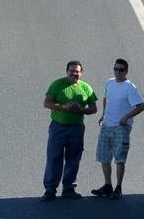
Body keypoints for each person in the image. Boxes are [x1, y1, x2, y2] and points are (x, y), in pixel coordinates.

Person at [41, 60, 97, 201]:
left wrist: (81, 110)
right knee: (54, 157)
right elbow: (47, 103)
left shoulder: (86, 88)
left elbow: (93, 109)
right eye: (72, 71)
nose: (74, 74)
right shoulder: (57, 85)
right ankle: (50, 190)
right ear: (67, 72)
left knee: (74, 158)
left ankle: (69, 188)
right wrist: (63, 107)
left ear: (81, 73)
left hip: (76, 129)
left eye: (77, 71)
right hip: (58, 127)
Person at [91, 58, 144, 200]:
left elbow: (140, 106)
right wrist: (103, 114)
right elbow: (105, 99)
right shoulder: (109, 83)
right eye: (115, 69)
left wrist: (125, 118)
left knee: (119, 159)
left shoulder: (130, 87)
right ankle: (107, 185)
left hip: (121, 127)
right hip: (107, 125)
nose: (117, 72)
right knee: (104, 157)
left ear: (126, 72)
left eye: (121, 70)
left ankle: (118, 188)